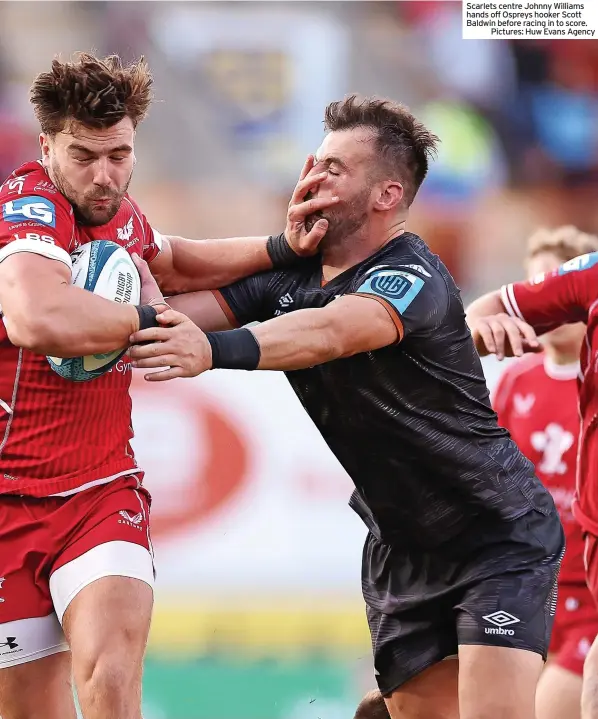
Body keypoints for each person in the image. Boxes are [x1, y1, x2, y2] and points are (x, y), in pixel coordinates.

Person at [129, 95, 565, 719]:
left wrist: (212, 349)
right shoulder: (287, 276)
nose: (314, 173)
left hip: (494, 534)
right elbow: (163, 294)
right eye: (315, 161)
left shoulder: (412, 274)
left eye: (336, 166)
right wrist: (272, 249)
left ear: (387, 194)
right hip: (398, 550)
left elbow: (331, 331)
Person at [0, 53, 331, 719]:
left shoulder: (116, 208)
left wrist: (280, 252)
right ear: (46, 147)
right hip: (10, 503)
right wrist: (147, 319)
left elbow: (170, 260)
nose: (105, 175)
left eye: (120, 154)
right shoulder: (28, 207)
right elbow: (36, 317)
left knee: (110, 673)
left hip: (101, 491)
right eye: (85, 156)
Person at [465, 231, 598, 719]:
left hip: (586, 587)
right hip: (530, 579)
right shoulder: (519, 380)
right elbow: (488, 468)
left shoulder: (583, 378)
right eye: (532, 277)